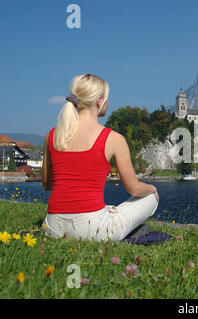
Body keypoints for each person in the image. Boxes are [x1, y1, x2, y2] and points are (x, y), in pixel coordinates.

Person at [41, 74, 159, 241]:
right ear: (99, 100)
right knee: (149, 198)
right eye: (107, 98)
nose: (108, 103)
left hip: (52, 227)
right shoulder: (113, 139)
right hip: (92, 230)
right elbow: (135, 189)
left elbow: (47, 184)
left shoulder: (52, 135)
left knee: (105, 208)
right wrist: (153, 189)